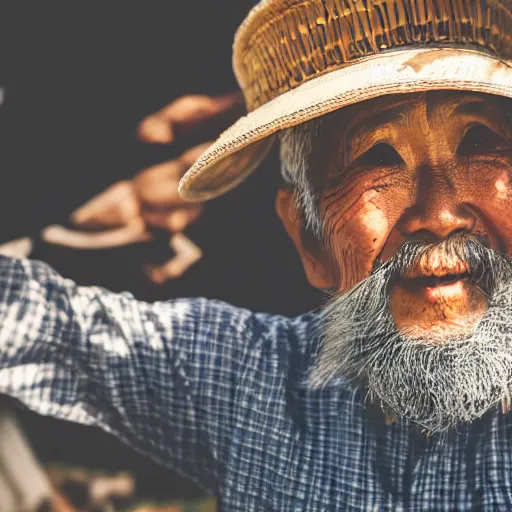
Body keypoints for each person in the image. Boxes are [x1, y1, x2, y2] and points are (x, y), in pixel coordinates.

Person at [1, 0, 512, 509]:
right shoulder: (253, 384)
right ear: (308, 242)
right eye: (379, 156)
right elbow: (35, 322)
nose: (442, 214)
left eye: (479, 141)